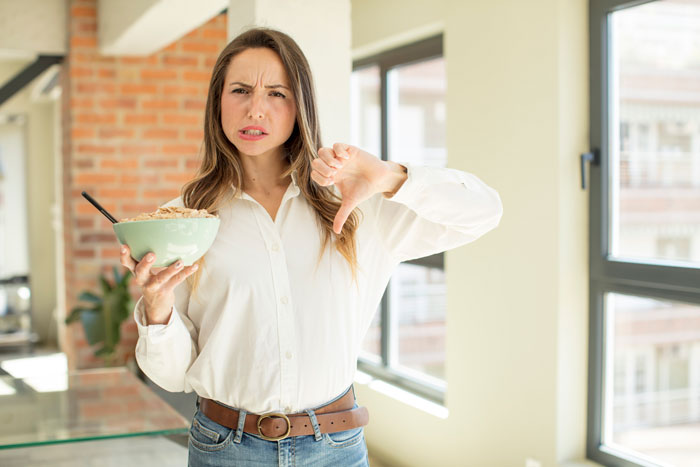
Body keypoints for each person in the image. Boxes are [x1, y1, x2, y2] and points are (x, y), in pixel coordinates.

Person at [120, 27, 502, 467]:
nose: (255, 108)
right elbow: (171, 375)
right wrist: (157, 305)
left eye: (277, 93)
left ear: (300, 104)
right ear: (217, 103)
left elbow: (485, 211)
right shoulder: (182, 221)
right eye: (240, 90)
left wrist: (392, 177)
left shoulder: (357, 204)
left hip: (334, 451)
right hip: (225, 450)